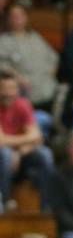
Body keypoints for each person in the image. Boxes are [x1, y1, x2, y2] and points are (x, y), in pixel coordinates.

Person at [0, 70, 53, 210]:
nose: (8, 93)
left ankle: (46, 205)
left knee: (45, 154)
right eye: (4, 89)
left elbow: (37, 137)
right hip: (3, 157)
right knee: (5, 154)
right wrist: (25, 140)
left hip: (20, 155)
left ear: (18, 90)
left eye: (12, 89)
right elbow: (1, 141)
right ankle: (4, 202)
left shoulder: (23, 104)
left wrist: (18, 153)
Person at [0, 4, 59, 108]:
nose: (18, 19)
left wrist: (50, 73)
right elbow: (2, 65)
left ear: (26, 18)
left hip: (47, 91)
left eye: (21, 15)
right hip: (22, 95)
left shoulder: (35, 37)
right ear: (8, 19)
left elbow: (53, 57)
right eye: (14, 16)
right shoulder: (4, 41)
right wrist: (17, 77)